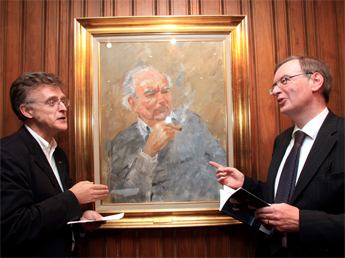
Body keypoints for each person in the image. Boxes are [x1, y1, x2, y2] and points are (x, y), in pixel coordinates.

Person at [210, 56, 344, 257]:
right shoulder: (282, 141)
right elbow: (283, 196)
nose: (276, 91)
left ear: (316, 81)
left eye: (285, 80)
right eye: (274, 86)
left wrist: (302, 222)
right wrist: (244, 183)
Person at [0, 72, 109, 257]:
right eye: (52, 102)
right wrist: (73, 198)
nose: (63, 108)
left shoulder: (57, 153)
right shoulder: (7, 154)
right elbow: (13, 227)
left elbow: (53, 205)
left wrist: (81, 217)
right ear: (27, 111)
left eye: (63, 101)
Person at [107, 65, 226, 203]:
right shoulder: (123, 141)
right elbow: (122, 198)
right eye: (150, 94)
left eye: (165, 91)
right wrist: (148, 153)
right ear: (133, 104)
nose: (162, 100)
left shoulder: (191, 122)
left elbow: (223, 165)